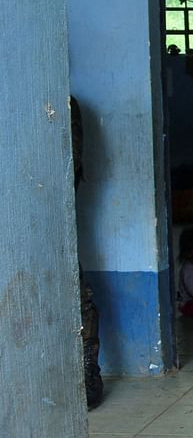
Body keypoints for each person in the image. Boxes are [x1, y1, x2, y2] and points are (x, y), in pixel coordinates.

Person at [71, 96, 103, 409]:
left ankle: (88, 372)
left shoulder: (65, 106)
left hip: (56, 227)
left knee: (82, 301)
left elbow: (70, 168)